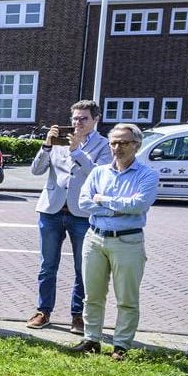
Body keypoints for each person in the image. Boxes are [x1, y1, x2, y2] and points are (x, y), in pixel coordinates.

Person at [71, 123, 158, 360]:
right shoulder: (99, 172)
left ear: (136, 146)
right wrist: (116, 208)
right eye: (113, 142)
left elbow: (138, 205)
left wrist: (103, 200)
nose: (117, 147)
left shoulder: (148, 175)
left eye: (124, 143)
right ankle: (91, 340)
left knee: (127, 298)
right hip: (95, 238)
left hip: (128, 242)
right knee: (92, 295)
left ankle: (121, 345)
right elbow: (83, 203)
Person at [29, 100, 111, 334]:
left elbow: (99, 176)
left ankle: (78, 316)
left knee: (82, 267)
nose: (77, 123)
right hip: (52, 210)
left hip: (82, 214)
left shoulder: (103, 145)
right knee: (47, 265)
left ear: (96, 119)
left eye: (83, 118)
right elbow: (36, 170)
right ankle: (43, 311)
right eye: (74, 118)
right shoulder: (58, 142)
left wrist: (77, 151)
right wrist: (46, 146)